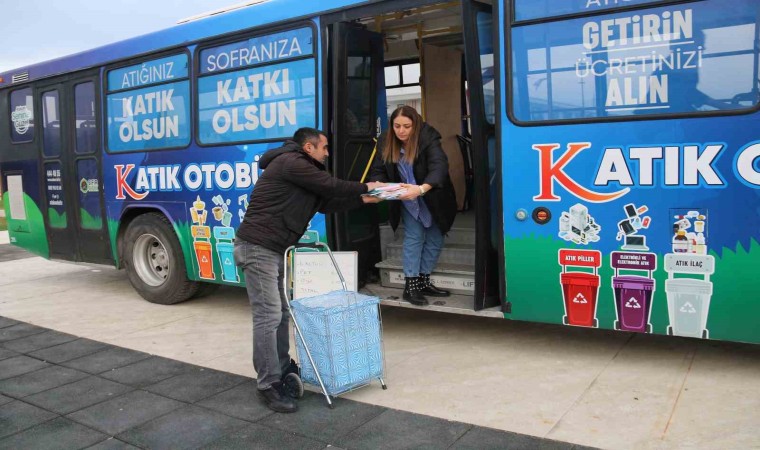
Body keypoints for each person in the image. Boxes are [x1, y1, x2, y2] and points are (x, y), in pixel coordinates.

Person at [234, 127, 383, 413]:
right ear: (308, 147)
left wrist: (364, 199)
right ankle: (268, 384)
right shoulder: (292, 163)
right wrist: (368, 186)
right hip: (257, 247)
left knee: (280, 314)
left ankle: (280, 366)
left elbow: (327, 203)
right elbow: (332, 186)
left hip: (271, 248)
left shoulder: (302, 171)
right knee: (268, 316)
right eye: (324, 148)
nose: (327, 153)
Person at [369, 106, 457, 306]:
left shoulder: (429, 137)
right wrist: (382, 189)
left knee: (435, 237)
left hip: (432, 196)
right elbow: (378, 171)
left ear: (415, 125)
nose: (401, 131)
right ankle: (411, 285)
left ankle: (423, 281)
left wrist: (421, 189)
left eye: (406, 126)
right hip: (407, 199)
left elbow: (439, 166)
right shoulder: (385, 141)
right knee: (414, 237)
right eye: (397, 126)